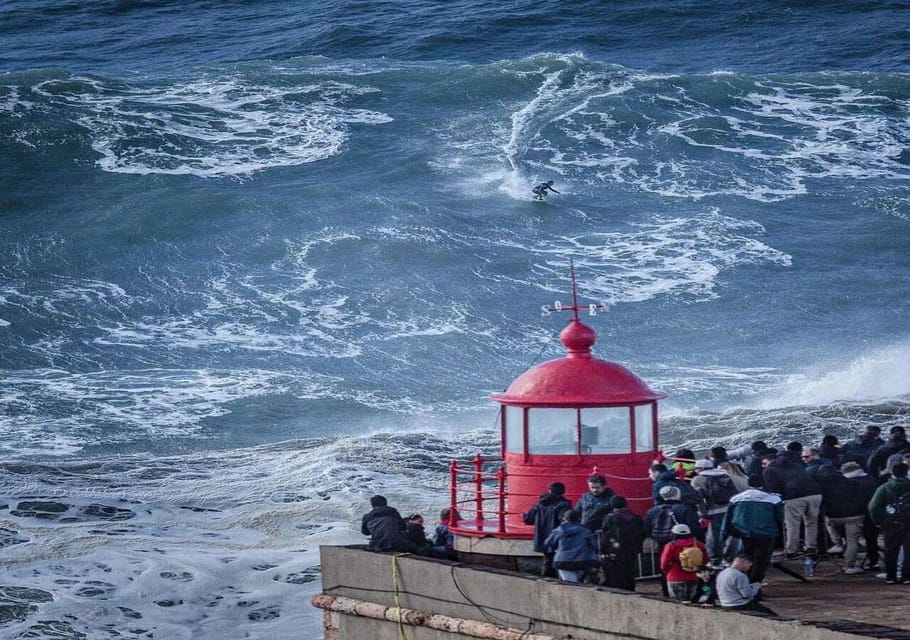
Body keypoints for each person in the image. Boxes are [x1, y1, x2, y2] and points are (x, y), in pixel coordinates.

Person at [763, 441, 822, 558]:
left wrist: (782, 500)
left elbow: (773, 489)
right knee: (811, 522)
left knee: (792, 524)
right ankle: (811, 547)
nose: (763, 466)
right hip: (815, 493)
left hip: (794, 496)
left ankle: (791, 550)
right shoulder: (797, 464)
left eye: (764, 463)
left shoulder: (770, 469)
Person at [721, 474, 784, 583]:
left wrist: (724, 535)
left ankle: (743, 582)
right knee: (761, 560)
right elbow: (781, 518)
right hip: (766, 533)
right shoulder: (774, 499)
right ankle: (755, 583)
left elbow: (728, 519)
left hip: (743, 532)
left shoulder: (736, 498)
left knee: (746, 557)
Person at [816, 462, 875, 574]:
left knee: (829, 523)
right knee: (852, 541)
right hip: (854, 516)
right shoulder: (850, 482)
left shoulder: (821, 486)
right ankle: (849, 566)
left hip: (833, 516)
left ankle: (837, 543)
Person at [690, 459, 738, 567]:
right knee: (731, 534)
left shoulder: (698, 479)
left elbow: (698, 499)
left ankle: (715, 560)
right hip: (731, 508)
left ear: (701, 469)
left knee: (714, 537)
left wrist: (702, 514)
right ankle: (730, 558)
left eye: (696, 469)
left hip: (714, 511)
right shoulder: (726, 476)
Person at [868, 461, 910, 584]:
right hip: (908, 521)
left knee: (891, 549)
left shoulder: (884, 488)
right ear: (906, 472)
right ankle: (907, 576)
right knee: (908, 550)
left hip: (891, 522)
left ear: (892, 472)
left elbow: (873, 506)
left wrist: (878, 521)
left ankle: (890, 576)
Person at [523, 481, 572, 577]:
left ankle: (545, 580)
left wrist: (524, 516)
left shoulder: (539, 504)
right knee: (556, 561)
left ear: (549, 491)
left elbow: (529, 520)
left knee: (547, 561)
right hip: (556, 537)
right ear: (563, 492)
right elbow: (564, 520)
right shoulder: (563, 505)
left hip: (542, 537)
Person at [600, 495, 645, 591]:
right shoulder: (636, 517)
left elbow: (606, 535)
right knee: (630, 570)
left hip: (615, 549)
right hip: (632, 549)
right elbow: (642, 532)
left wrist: (603, 550)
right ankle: (630, 588)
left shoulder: (609, 518)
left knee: (616, 572)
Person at [543, 509, 600, 583]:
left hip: (562, 561)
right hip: (582, 561)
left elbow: (548, 543)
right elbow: (594, 546)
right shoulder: (585, 531)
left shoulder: (558, 531)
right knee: (579, 583)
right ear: (579, 519)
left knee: (570, 584)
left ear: (564, 518)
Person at [659, 523, 708, 602]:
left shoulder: (671, 545)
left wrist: (666, 572)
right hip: (693, 576)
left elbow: (664, 563)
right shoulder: (697, 544)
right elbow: (705, 559)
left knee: (678, 604)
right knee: (692, 603)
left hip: (675, 576)